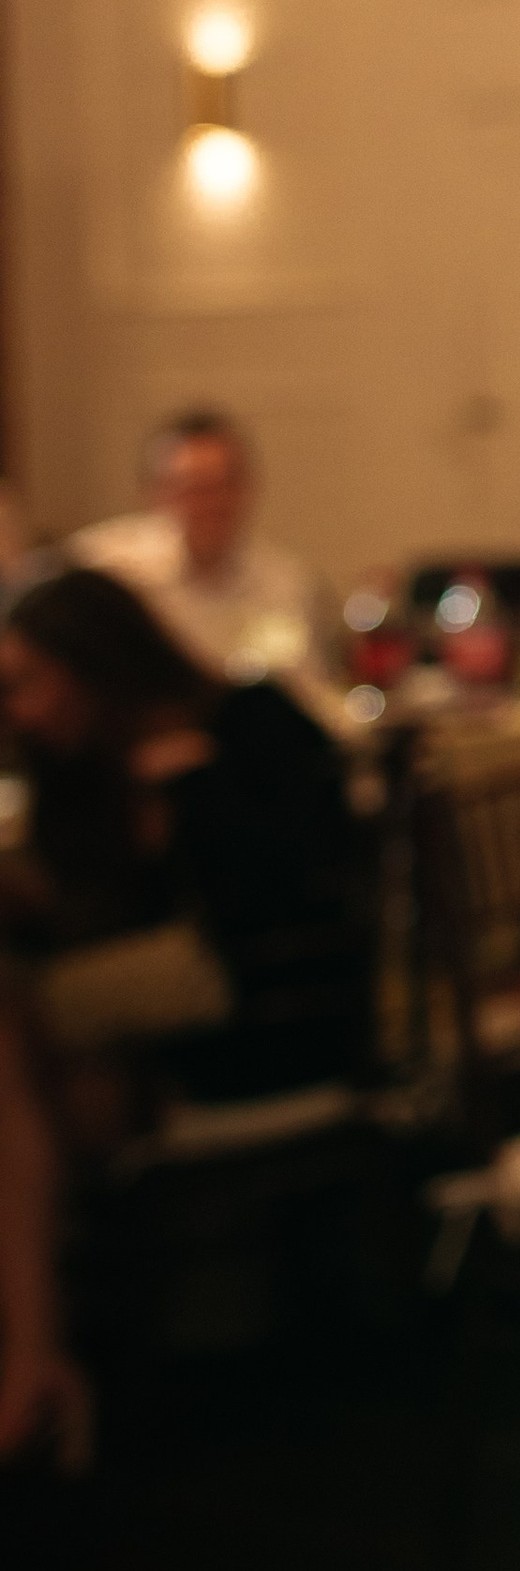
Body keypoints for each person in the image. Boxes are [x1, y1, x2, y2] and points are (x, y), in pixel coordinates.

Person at [0, 567, 360, 1463]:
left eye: (28, 682)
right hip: (156, 1035)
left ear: (95, 664)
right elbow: (103, 929)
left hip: (273, 1026)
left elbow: (303, 890)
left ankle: (40, 1359)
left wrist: (194, 792)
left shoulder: (248, 722)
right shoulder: (79, 772)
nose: (19, 711)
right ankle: (48, 1360)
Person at [74, 408, 340, 719]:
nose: (211, 504)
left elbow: (308, 691)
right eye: (192, 488)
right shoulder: (103, 569)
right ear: (155, 493)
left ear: (247, 489)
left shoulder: (287, 581)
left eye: (223, 486)